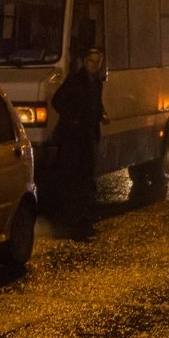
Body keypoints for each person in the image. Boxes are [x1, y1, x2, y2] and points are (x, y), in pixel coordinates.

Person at [52, 48, 108, 224]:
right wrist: (73, 118)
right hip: (73, 136)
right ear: (85, 62)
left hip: (88, 134)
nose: (94, 65)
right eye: (91, 61)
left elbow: (95, 103)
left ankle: (83, 211)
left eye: (97, 62)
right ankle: (73, 213)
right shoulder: (75, 80)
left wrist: (101, 114)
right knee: (73, 175)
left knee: (87, 174)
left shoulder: (97, 82)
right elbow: (57, 101)